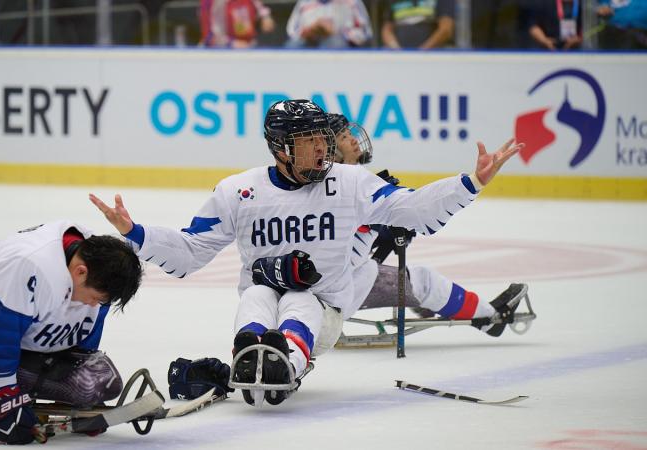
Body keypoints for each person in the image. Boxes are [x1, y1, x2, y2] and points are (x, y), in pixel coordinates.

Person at [89, 99, 522, 407]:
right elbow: (191, 251)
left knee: (304, 299)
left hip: (327, 304)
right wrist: (136, 231)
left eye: (323, 139)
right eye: (309, 141)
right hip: (267, 297)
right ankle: (250, 355)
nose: (323, 148)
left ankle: (284, 365)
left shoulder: (350, 183)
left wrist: (469, 183)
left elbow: (410, 208)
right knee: (257, 295)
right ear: (280, 148)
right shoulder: (239, 191)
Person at [0, 221, 143, 445]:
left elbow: (85, 337)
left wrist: (80, 408)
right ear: (80, 272)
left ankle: (29, 388)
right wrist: (2, 407)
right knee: (85, 387)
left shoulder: (96, 262)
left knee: (100, 382)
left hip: (20, 345)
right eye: (95, 298)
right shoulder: (25, 266)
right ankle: (5, 393)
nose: (95, 305)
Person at [326, 113, 528, 339]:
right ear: (332, 152)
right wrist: (383, 227)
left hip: (329, 287)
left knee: (413, 278)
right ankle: (490, 319)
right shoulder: (350, 189)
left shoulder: (333, 183)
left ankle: (442, 304)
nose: (353, 139)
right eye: (344, 137)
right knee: (423, 281)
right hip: (337, 292)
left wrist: (382, 230)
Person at [285, 0, 373, 48]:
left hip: (341, 48)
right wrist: (308, 31)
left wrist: (340, 33)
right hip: (309, 42)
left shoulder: (352, 2)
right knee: (292, 46)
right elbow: (291, 31)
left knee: (333, 42)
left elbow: (365, 32)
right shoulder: (304, 2)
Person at [381, 0, 456, 49]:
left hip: (434, 57)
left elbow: (446, 29)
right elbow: (387, 29)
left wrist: (422, 51)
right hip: (401, 58)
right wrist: (396, 50)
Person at [199, 0, 276, 48]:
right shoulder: (209, 2)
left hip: (249, 48)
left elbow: (260, 8)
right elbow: (209, 36)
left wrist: (266, 18)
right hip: (221, 52)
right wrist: (232, 43)